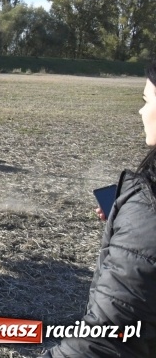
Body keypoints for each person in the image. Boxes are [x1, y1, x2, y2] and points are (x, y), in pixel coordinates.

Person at [42, 62, 156, 356]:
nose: (141, 112)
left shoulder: (148, 210)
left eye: (147, 101)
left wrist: (137, 220)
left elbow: (108, 339)